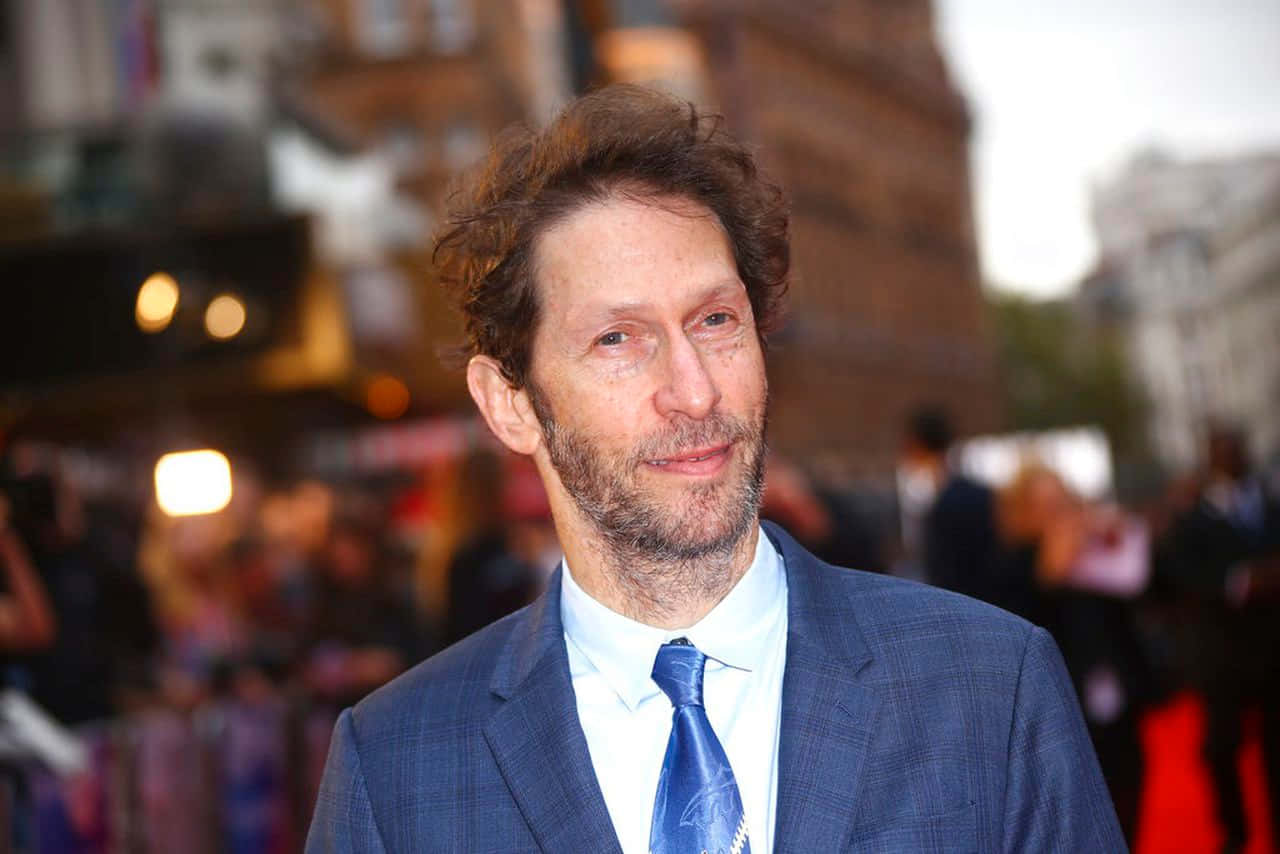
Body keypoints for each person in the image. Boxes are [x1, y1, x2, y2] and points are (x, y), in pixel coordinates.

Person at [307, 85, 1124, 853]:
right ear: (509, 402)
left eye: (716, 320)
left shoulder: (990, 686)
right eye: (618, 340)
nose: (694, 390)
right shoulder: (395, 768)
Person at [1158, 425, 1280, 853]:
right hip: (1220, 654)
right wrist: (1243, 581)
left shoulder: (1269, 504)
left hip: (1272, 649)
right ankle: (1234, 830)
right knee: (1222, 745)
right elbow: (1183, 580)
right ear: (1210, 459)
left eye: (1237, 450)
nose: (1232, 458)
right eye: (1222, 451)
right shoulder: (1192, 520)